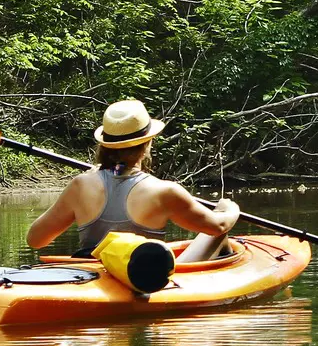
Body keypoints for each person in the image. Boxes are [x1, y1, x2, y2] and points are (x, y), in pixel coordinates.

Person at [27, 99, 238, 257]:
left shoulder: (81, 185)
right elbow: (217, 226)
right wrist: (228, 209)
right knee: (220, 235)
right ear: (147, 144)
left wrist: (96, 176)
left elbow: (35, 239)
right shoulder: (164, 191)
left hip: (91, 276)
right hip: (140, 281)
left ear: (105, 145)